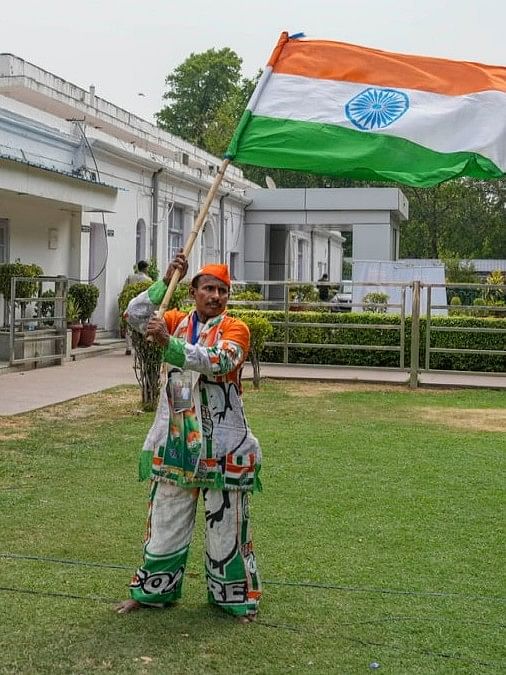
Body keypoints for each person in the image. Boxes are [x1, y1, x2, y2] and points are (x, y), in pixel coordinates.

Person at [117, 253, 262, 623]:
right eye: (208, 288)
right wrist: (166, 281)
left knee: (226, 529)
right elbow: (134, 315)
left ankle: (235, 600)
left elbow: (219, 362)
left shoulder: (236, 329)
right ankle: (152, 592)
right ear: (193, 292)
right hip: (176, 444)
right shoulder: (175, 320)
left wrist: (170, 344)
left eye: (222, 290)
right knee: (165, 522)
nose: (215, 296)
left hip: (224, 447)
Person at [123, 260, 152, 355]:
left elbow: (125, 290)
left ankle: (128, 347)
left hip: (130, 305)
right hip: (142, 307)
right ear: (145, 268)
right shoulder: (148, 280)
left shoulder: (130, 278)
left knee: (129, 326)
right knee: (142, 326)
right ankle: (143, 347)